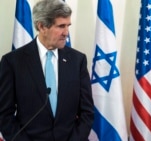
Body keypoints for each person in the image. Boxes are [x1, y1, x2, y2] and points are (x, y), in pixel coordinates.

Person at [0, 0, 94, 140]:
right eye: (61, 26)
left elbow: (87, 112)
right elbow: (4, 114)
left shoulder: (77, 60)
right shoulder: (13, 62)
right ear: (42, 26)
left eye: (68, 26)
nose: (66, 32)